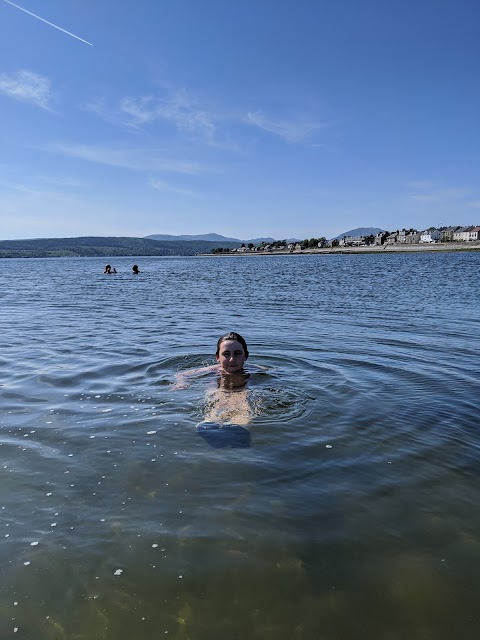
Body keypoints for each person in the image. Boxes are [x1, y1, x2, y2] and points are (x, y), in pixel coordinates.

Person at [173, 332, 265, 429]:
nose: (232, 359)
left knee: (242, 404)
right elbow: (181, 375)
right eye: (226, 354)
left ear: (246, 356)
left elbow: (274, 372)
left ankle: (238, 426)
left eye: (237, 353)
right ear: (217, 357)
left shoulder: (254, 369)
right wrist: (181, 382)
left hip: (242, 391)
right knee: (218, 402)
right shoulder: (213, 369)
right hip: (219, 390)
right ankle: (211, 422)